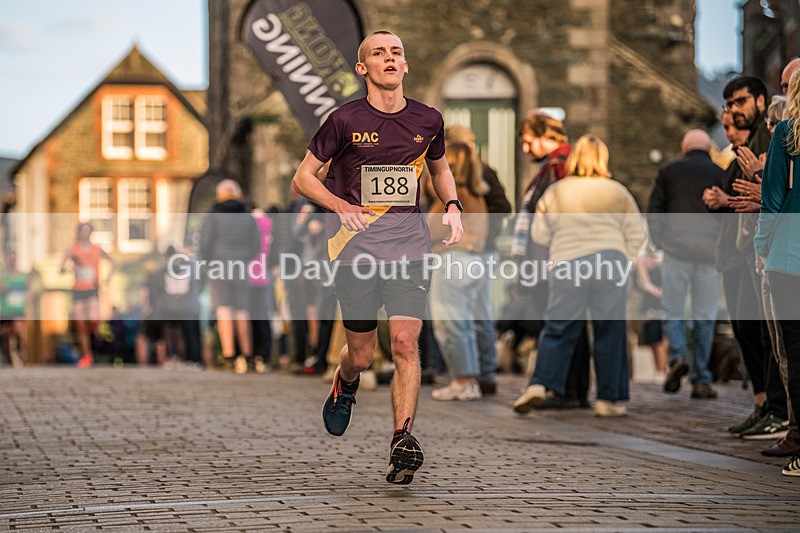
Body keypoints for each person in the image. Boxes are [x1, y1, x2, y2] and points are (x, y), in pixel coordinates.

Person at [291, 30, 463, 485]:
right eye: (378, 53)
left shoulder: (429, 120)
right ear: (362, 68)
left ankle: (402, 439)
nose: (390, 58)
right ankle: (344, 382)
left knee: (406, 343)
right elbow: (303, 178)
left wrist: (452, 206)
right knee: (363, 355)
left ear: (405, 66)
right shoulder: (343, 119)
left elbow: (441, 169)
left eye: (397, 53)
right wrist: (341, 206)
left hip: (409, 246)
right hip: (355, 250)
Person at [511, 134, 645, 417]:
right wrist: (626, 260)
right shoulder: (617, 191)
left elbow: (539, 234)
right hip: (611, 260)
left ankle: (540, 383)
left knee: (558, 327)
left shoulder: (556, 191)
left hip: (569, 262)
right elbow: (637, 233)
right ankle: (609, 399)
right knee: (610, 331)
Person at [511, 112, 591, 409]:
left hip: (555, 258)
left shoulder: (561, 165)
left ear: (545, 135)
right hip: (552, 258)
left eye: (528, 141)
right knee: (569, 324)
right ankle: (570, 390)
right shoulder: (553, 165)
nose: (525, 148)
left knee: (565, 324)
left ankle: (568, 391)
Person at [647, 129, 724, 399]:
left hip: (676, 250)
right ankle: (701, 378)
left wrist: (659, 243)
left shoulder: (669, 171)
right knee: (704, 317)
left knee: (672, 310)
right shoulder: (719, 172)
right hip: (708, 254)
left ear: (684, 146)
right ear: (709, 148)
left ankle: (677, 356)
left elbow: (654, 210)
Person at [754, 68, 800, 477]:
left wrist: (760, 249)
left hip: (790, 256)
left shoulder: (787, 133)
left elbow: (772, 200)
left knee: (795, 352)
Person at [444, 124, 511, 394]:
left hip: (472, 249)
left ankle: (475, 373)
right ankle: (483, 373)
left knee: (463, 315)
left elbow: (501, 207)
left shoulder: (469, 170)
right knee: (478, 312)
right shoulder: (479, 170)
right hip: (480, 249)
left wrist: (483, 236)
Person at [428, 141, 489, 401]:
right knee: (464, 323)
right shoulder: (477, 193)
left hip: (453, 261)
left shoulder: (454, 196)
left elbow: (430, 229)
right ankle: (470, 378)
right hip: (473, 260)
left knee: (449, 325)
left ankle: (463, 380)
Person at [199, 179, 261, 374]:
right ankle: (247, 355)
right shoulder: (248, 214)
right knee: (242, 310)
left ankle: (228, 355)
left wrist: (209, 260)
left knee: (224, 310)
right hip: (241, 264)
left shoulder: (213, 215)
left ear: (219, 195)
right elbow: (257, 243)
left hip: (219, 265)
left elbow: (204, 243)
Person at [60, 222, 115, 368]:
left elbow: (112, 262)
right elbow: (61, 268)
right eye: (82, 231)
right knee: (80, 324)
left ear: (90, 233)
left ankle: (94, 335)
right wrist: (69, 269)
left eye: (87, 231)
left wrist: (107, 278)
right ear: (79, 233)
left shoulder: (96, 249)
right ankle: (87, 355)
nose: (84, 234)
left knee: (93, 319)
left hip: (92, 289)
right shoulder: (73, 249)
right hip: (78, 290)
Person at [1, 250, 28, 367]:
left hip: (19, 308)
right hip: (6, 310)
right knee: (8, 334)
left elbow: (29, 291)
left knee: (18, 331)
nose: (12, 261)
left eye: (14, 259)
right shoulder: (2, 275)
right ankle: (11, 355)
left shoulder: (23, 275)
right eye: (10, 259)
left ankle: (19, 351)